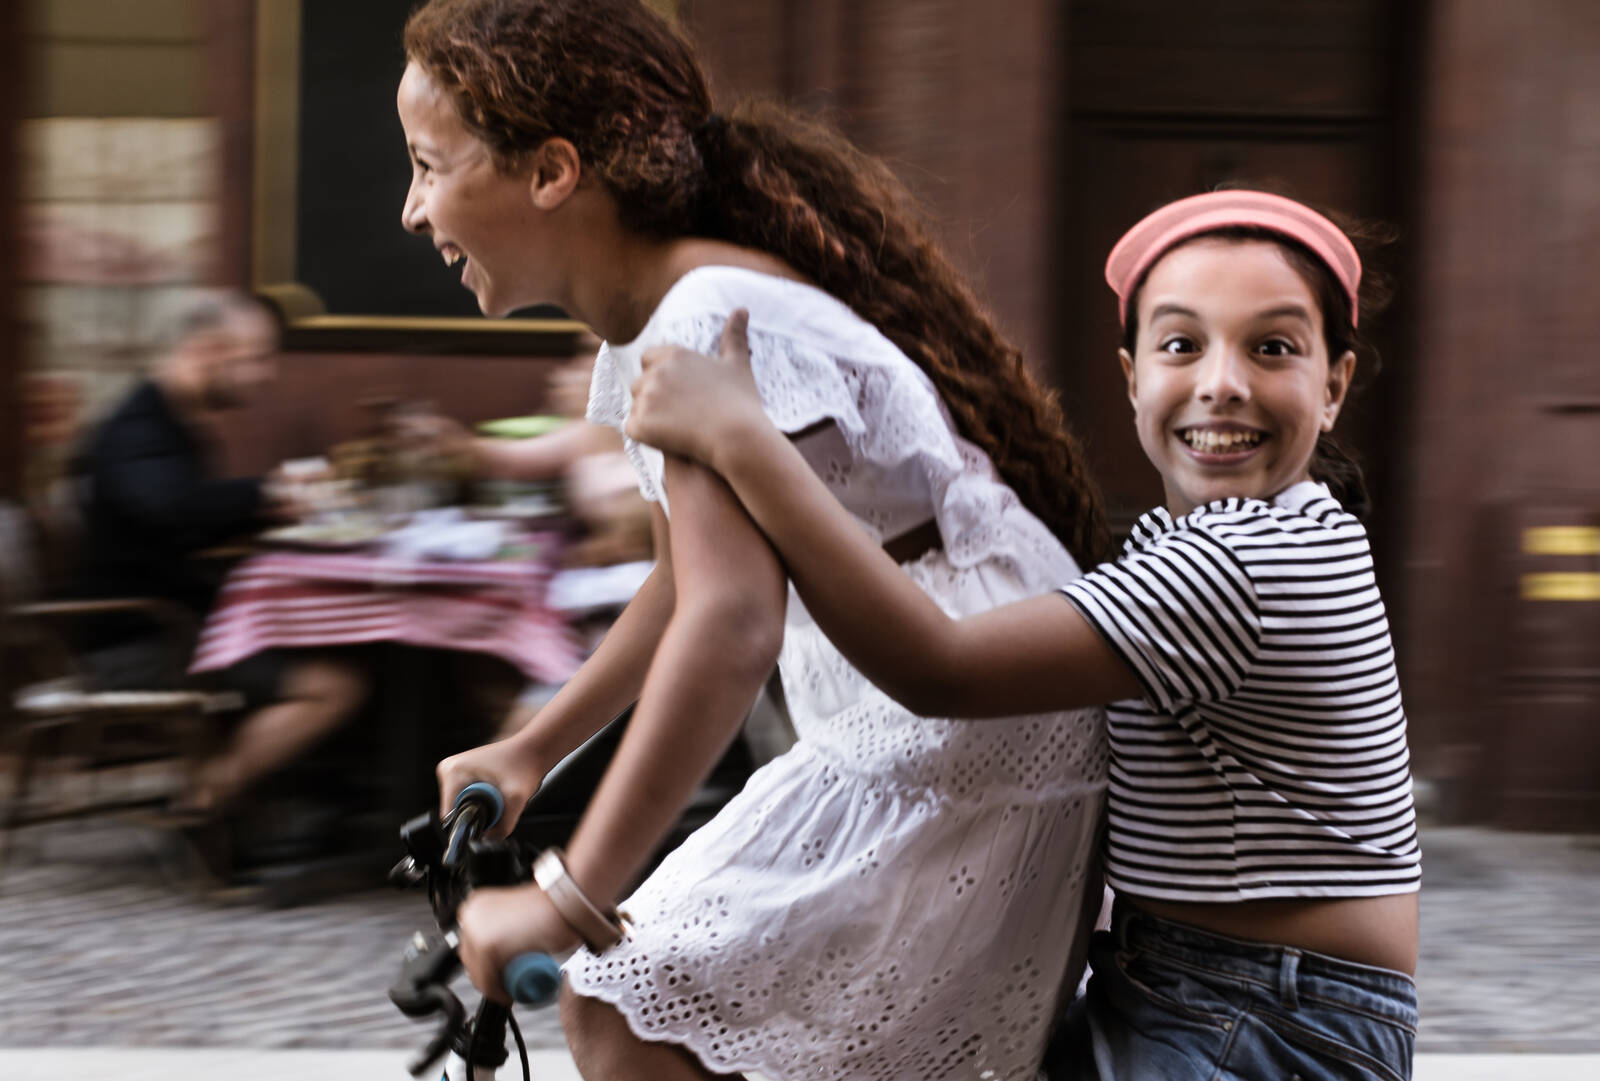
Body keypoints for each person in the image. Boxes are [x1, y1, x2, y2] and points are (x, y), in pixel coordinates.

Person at [398, 2, 1111, 1078]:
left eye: (427, 166)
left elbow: (733, 622)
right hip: (931, 711)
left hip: (956, 731)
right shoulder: (657, 321)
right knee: (656, 1014)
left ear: (551, 171)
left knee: (625, 1002)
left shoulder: (705, 314)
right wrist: (536, 748)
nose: (412, 210)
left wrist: (569, 896)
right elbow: (682, 583)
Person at [626, 189, 1421, 1080]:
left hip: (1261, 1022)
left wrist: (744, 442)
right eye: (1181, 345)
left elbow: (941, 669)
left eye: (1271, 347)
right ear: (1133, 377)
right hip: (1189, 990)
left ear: (1334, 386)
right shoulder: (1203, 542)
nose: (1222, 382)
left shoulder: (1249, 563)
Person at [72, 289, 370, 817]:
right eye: (257, 358)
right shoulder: (139, 429)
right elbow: (168, 506)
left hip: (172, 627)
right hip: (141, 643)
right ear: (208, 350)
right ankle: (203, 805)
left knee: (337, 648)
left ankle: (285, 807)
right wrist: (269, 492)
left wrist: (269, 507)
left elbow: (182, 517)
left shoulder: (165, 419)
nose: (266, 374)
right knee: (334, 687)